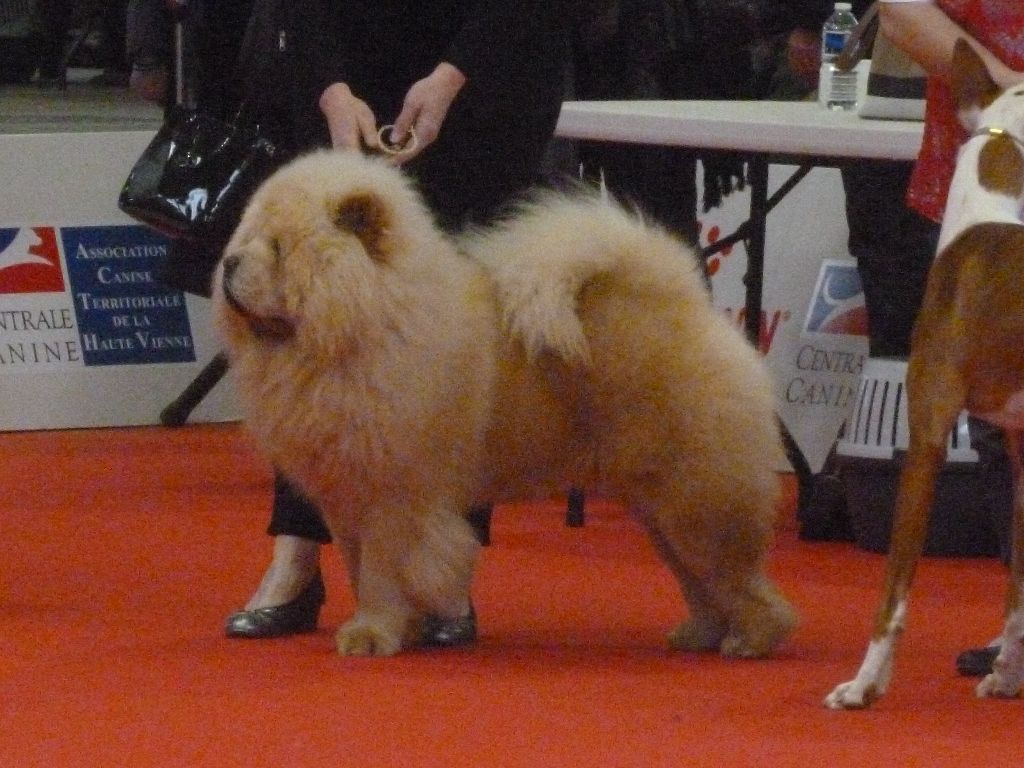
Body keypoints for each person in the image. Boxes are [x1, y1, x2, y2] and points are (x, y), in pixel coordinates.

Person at [214, 0, 569, 643]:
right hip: (345, 70)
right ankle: (296, 551)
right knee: (307, 324)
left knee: (456, 346)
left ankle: (444, 576)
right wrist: (329, 88)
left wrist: (454, 75)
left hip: (487, 81)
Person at [874, 0, 1024, 678]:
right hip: (988, 152)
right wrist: (1002, 88)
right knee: (1001, 430)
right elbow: (901, 12)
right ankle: (1020, 626)